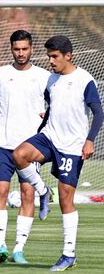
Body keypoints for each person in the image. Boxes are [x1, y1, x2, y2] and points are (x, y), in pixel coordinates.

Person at [13, 35, 103, 271]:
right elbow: (52, 108)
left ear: (67, 56)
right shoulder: (51, 80)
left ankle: (68, 254)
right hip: (50, 137)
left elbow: (98, 113)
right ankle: (43, 192)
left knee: (65, 199)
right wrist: (43, 125)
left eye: (54, 57)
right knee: (19, 154)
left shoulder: (85, 80)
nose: (50, 61)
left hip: (72, 146)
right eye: (49, 56)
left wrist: (89, 140)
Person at [0, 30, 52, 264]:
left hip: (31, 146)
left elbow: (55, 106)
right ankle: (1, 245)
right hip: (3, 144)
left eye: (24, 49)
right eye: (16, 49)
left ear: (32, 49)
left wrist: (47, 116)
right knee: (0, 191)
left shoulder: (44, 77)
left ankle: (19, 248)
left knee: (27, 194)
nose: (21, 53)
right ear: (11, 49)